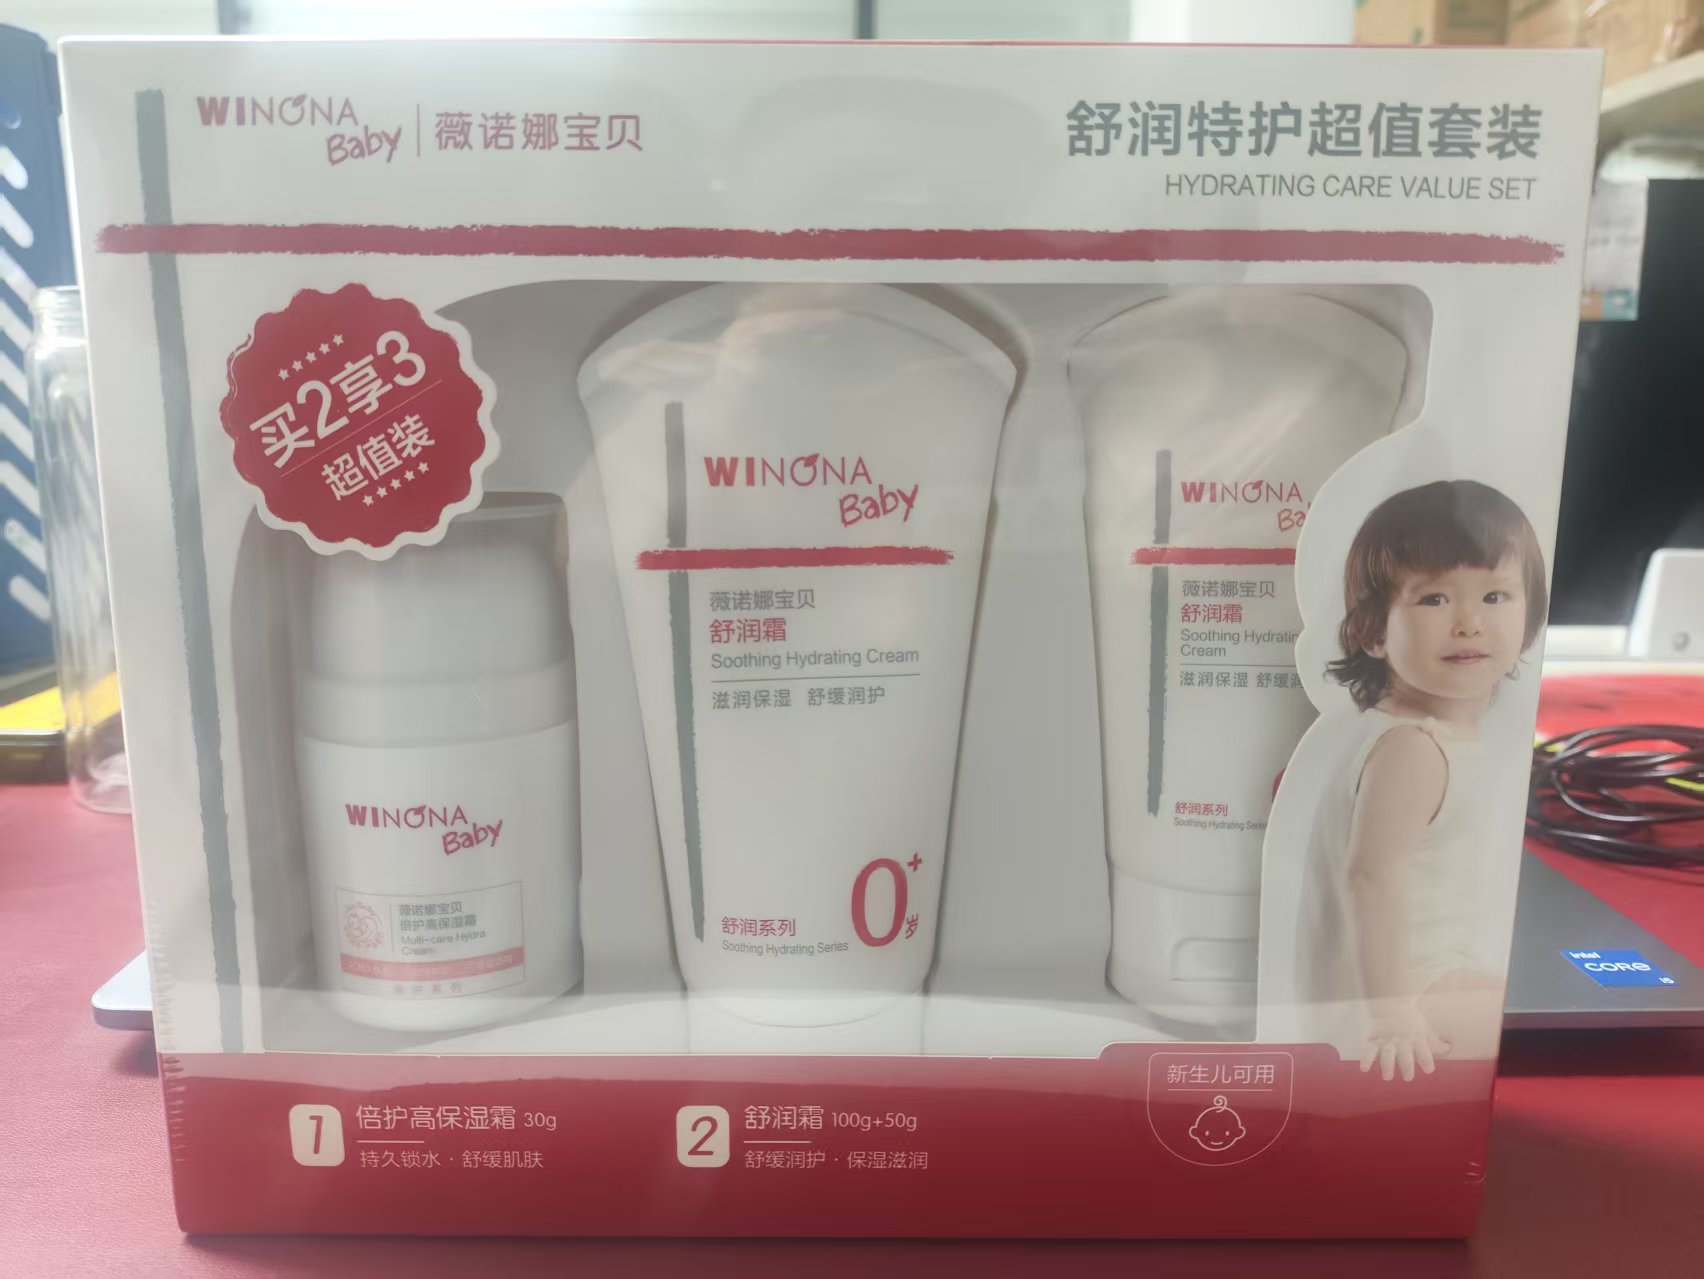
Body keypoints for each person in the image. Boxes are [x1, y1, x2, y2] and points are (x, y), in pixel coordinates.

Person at [1296, 480, 1548, 1081]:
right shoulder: (1412, 749)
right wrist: (1390, 1015)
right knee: (1550, 1037)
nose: (1469, 623)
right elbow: (1370, 877)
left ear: (1530, 618)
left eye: (1495, 595)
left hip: (1424, 977)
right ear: (1372, 632)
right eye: (1434, 599)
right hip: (1404, 997)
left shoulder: (1419, 735)